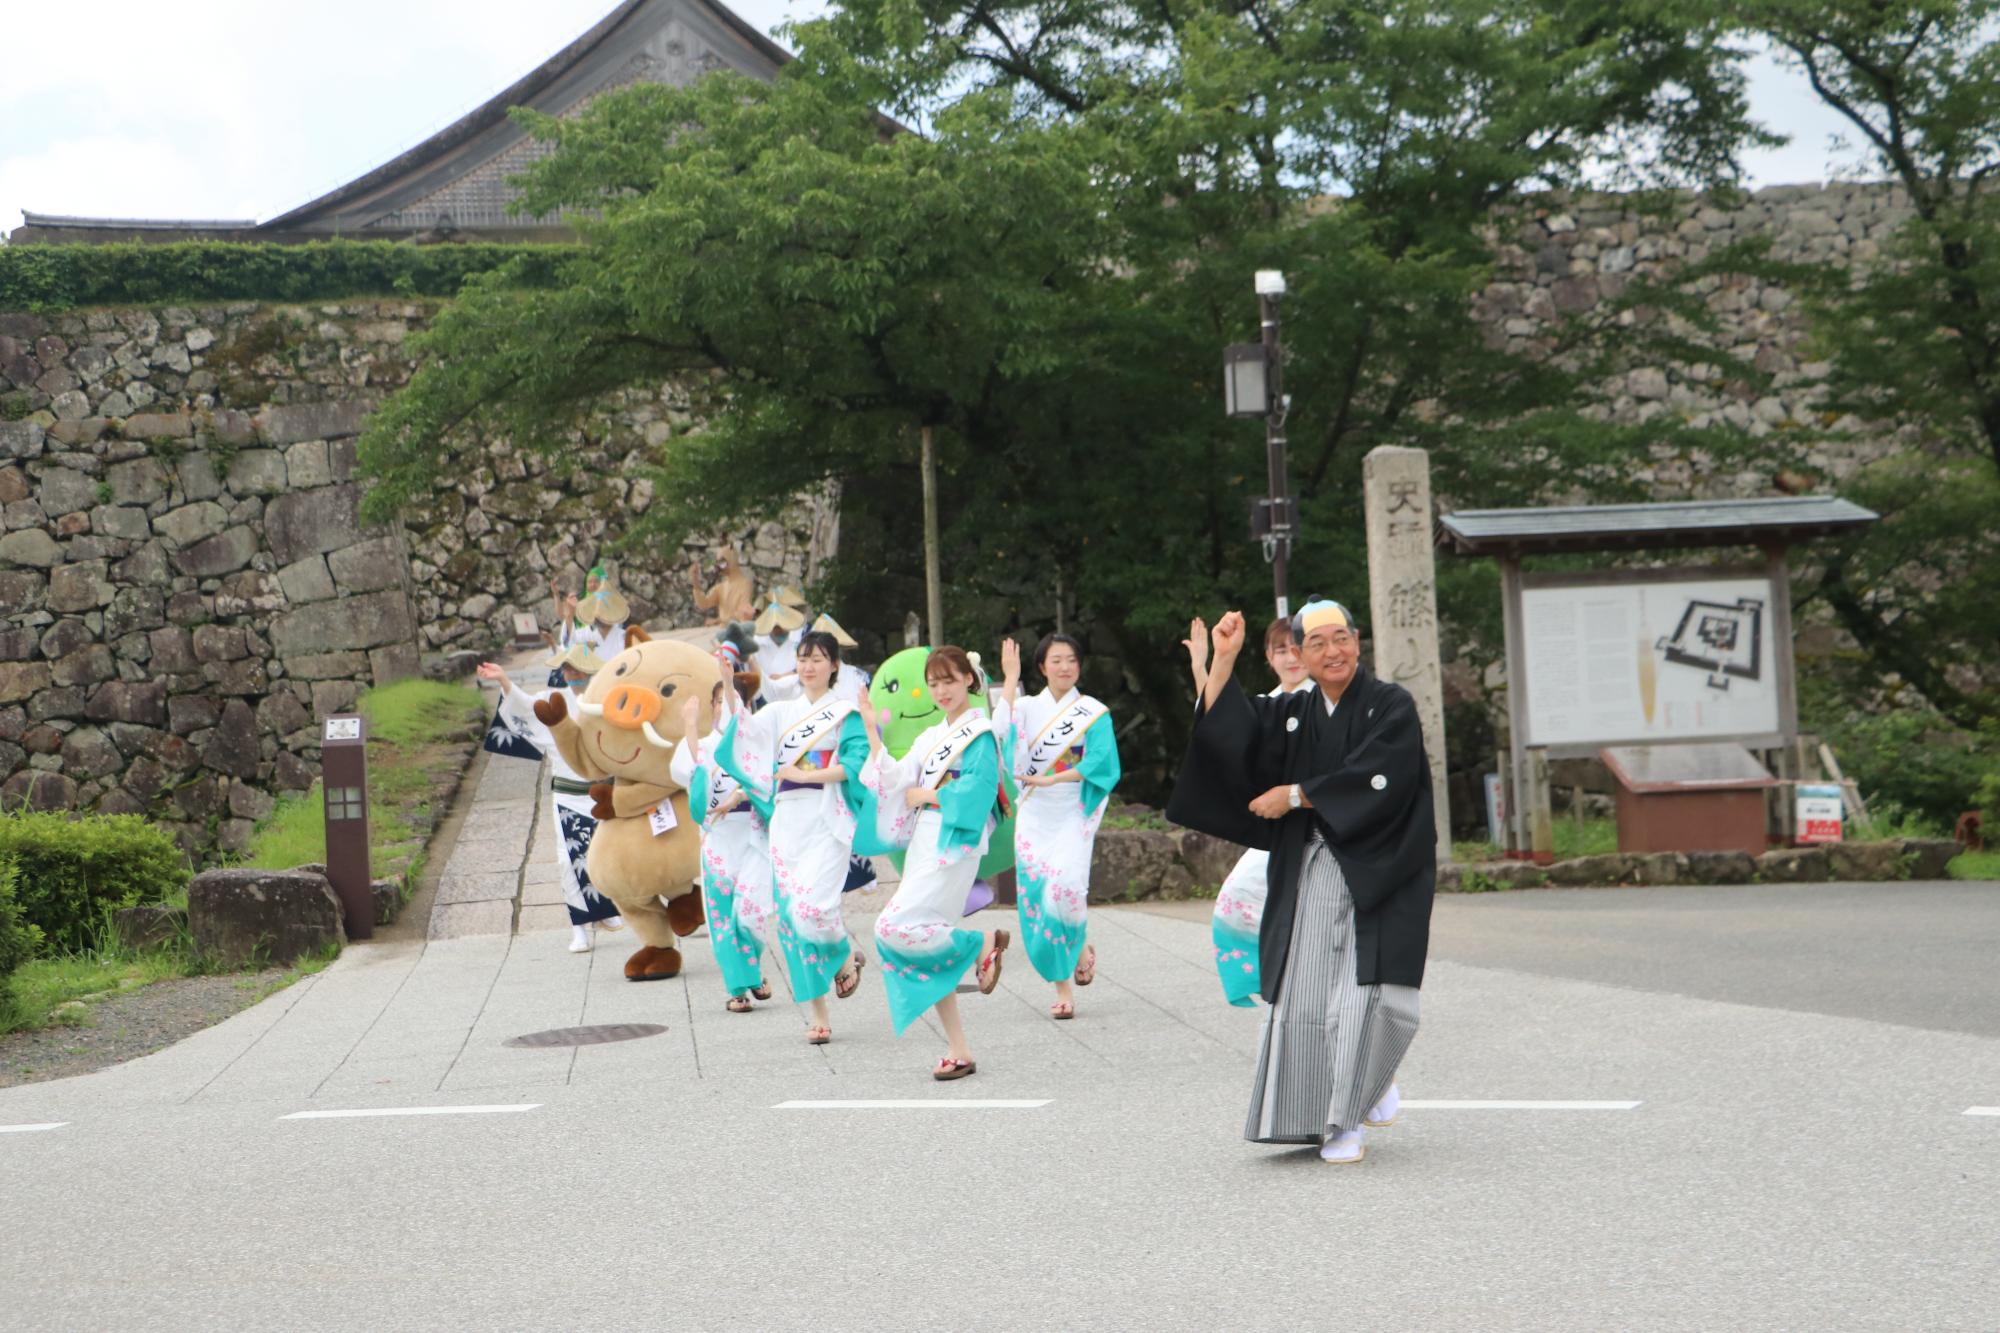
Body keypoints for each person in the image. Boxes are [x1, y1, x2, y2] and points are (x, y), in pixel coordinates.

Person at [1166, 602, 1436, 1165]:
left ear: (1358, 643)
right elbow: (1231, 736)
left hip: (1377, 866)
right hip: (1311, 863)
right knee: (1308, 990)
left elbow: (1383, 776)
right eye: (1317, 643)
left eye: (1342, 638)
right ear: (1300, 655)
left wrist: (1294, 795)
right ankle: (1324, 1106)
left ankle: (1346, 1121)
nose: (1332, 651)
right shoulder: (1294, 712)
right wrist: (1225, 658)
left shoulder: (1391, 705)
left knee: (1363, 993)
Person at [716, 629, 885, 1045]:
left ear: (834, 666)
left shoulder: (844, 712)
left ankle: (843, 953)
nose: (809, 666)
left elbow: (854, 765)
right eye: (803, 658)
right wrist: (727, 683)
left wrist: (805, 773)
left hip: (827, 818)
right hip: (788, 822)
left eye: (818, 659)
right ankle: (819, 1011)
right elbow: (742, 735)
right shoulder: (778, 712)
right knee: (792, 918)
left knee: (815, 909)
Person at [857, 646, 1013, 1079]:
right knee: (928, 941)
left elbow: (980, 792)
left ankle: (981, 944)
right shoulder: (930, 737)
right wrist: (872, 730)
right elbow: (893, 780)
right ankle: (959, 1049)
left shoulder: (979, 733)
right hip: (928, 840)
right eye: (934, 682)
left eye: (949, 680)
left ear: (969, 679)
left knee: (891, 927)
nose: (941, 690)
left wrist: (929, 795)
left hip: (954, 841)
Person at [1185, 615, 1315, 1007]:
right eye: (1281, 651)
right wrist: (1202, 667)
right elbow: (1220, 723)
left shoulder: (1325, 700)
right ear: (1268, 658)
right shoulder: (1268, 704)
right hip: (1274, 832)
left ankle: (1304, 987)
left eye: (1297, 649)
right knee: (1235, 902)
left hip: (1320, 829)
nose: (1291, 658)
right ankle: (1277, 983)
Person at [993, 633, 1121, 1020]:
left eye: (1071, 660)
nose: (1065, 667)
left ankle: (1077, 946)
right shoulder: (1027, 707)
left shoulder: (1093, 711)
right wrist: (1010, 679)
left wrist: (1056, 779)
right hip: (1035, 812)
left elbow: (1103, 763)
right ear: (1042, 667)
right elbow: (1000, 733)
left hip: (1073, 810)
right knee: (1038, 896)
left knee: (1064, 889)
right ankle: (1063, 983)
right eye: (1056, 660)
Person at [476, 651, 625, 952]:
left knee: (608, 856)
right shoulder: (553, 700)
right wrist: (504, 681)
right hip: (568, 794)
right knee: (568, 861)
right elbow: (525, 706)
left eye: (576, 668)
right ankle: (579, 928)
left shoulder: (607, 699)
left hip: (603, 793)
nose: (571, 673)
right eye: (567, 669)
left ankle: (606, 911)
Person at [673, 683, 774, 1012]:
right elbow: (691, 774)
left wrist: (740, 795)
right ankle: (738, 988)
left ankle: (754, 972)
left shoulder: (758, 746)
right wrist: (688, 725)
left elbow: (770, 783)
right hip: (719, 839)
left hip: (753, 837)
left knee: (752, 911)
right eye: (719, 702)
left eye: (733, 702)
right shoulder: (701, 745)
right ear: (713, 707)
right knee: (722, 918)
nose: (725, 708)